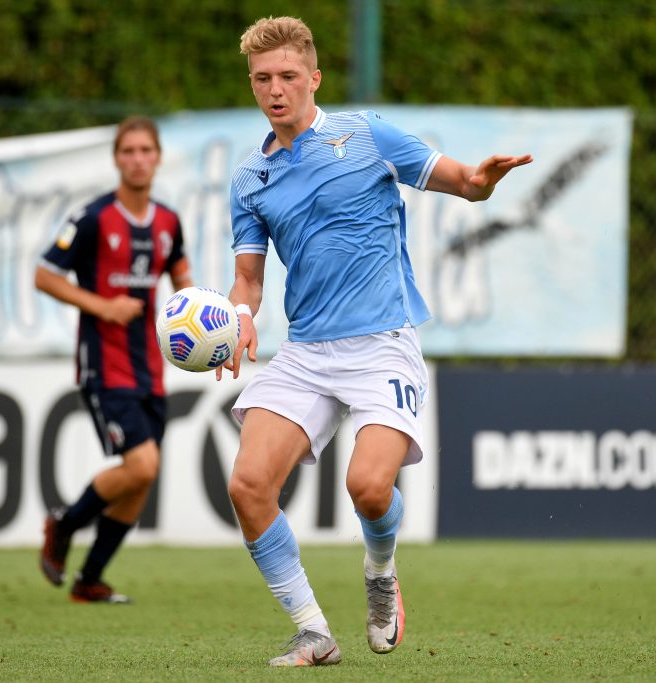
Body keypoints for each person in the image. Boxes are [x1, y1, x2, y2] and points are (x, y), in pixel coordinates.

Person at [219, 17, 532, 667]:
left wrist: (482, 181)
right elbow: (248, 279)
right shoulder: (250, 177)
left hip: (382, 343)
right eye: (262, 79)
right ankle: (313, 631)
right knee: (248, 484)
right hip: (306, 353)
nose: (275, 89)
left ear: (314, 78)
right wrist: (240, 316)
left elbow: (464, 182)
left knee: (367, 486)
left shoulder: (366, 135)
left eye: (287, 76)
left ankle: (381, 572)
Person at [34, 116, 192, 603]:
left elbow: (183, 281)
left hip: (151, 370)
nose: (138, 159)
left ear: (158, 157)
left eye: (146, 150)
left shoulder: (168, 222)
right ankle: (64, 524)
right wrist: (102, 306)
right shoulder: (93, 218)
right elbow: (45, 275)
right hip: (104, 364)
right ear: (116, 159)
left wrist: (203, 325)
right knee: (141, 466)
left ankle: (89, 580)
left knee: (141, 478)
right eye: (129, 151)